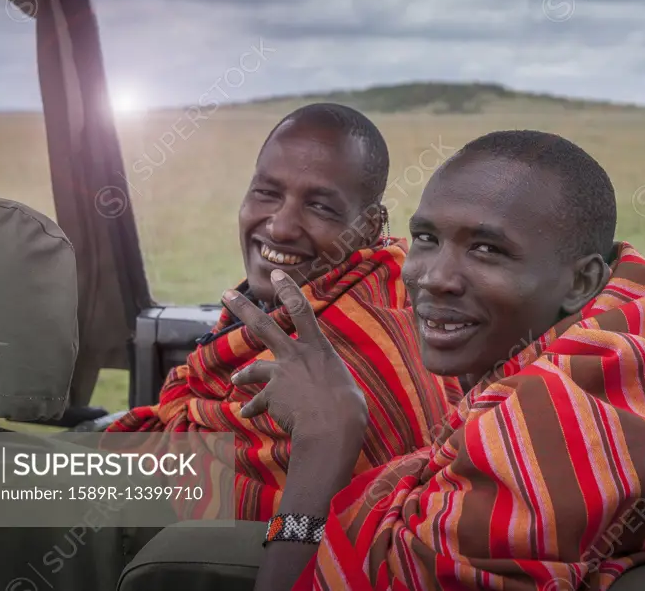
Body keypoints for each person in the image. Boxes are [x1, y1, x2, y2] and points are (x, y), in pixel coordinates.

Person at [226, 130, 645, 590]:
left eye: (487, 249)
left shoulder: (551, 429)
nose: (434, 277)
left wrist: (325, 442)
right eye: (425, 237)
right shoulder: (615, 345)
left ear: (582, 281)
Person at [106, 103, 463, 521]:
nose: (279, 227)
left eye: (320, 207)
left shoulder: (363, 349)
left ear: (368, 227)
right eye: (267, 192)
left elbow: (280, 525)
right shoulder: (354, 289)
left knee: (19, 490)